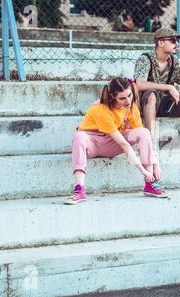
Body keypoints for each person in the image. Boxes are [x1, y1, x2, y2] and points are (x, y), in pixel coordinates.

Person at [65, 77, 167, 205]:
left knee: (144, 132)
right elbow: (123, 144)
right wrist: (142, 171)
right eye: (122, 98)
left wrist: (155, 164)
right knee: (79, 137)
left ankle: (150, 183)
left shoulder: (130, 106)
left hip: (112, 143)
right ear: (113, 96)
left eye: (129, 95)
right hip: (93, 144)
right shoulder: (100, 109)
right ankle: (79, 189)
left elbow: (141, 133)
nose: (128, 101)